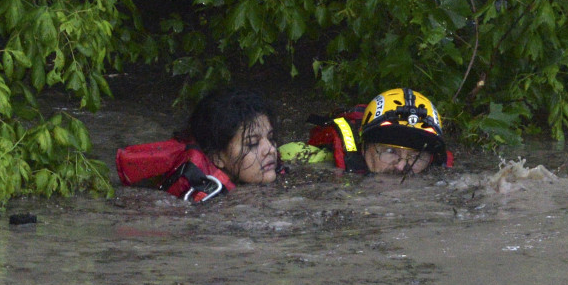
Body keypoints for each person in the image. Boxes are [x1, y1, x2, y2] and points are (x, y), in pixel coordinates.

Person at [116, 88, 279, 202]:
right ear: (217, 157)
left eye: (270, 138)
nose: (270, 150)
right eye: (252, 144)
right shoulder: (203, 198)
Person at [279, 87, 452, 175]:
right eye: (390, 151)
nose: (401, 167)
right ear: (364, 148)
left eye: (416, 156)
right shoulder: (307, 160)